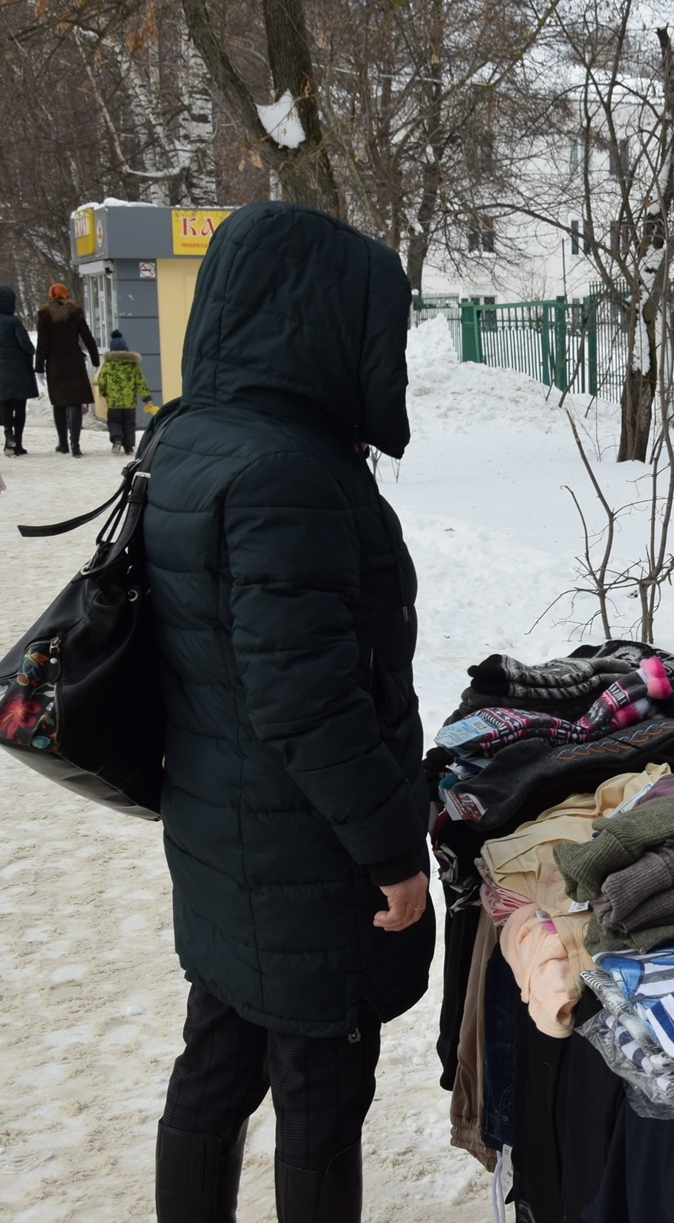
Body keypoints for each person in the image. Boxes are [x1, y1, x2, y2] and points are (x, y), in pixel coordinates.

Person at [141, 201, 433, 1223]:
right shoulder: (289, 474)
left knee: (218, 1054)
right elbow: (304, 697)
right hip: (308, 854)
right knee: (319, 1088)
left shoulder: (195, 437)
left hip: (227, 832)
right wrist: (395, 852)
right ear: (322, 324)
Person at [33, 282, 99, 456]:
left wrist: (39, 367)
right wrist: (95, 359)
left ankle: (63, 443)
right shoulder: (75, 312)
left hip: (55, 363)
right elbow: (87, 337)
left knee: (59, 403)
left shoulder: (44, 315)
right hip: (75, 362)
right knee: (75, 403)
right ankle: (75, 445)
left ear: (51, 295)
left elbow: (42, 343)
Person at [96, 328, 156, 454]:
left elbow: (102, 380)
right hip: (129, 403)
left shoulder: (108, 365)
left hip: (114, 403)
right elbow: (140, 382)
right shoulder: (133, 365)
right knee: (129, 424)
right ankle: (128, 447)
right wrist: (146, 397)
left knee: (114, 421)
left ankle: (117, 439)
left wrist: (104, 392)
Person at [0, 285, 35, 455]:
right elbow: (25, 345)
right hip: (18, 370)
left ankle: (8, 436)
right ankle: (18, 444)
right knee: (19, 407)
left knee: (4, 404)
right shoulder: (14, 321)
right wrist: (31, 351)